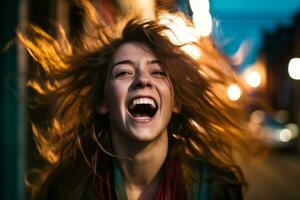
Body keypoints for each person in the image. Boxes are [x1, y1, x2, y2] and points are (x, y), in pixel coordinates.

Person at [18, 2, 256, 200]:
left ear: (176, 103)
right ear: (103, 102)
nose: (143, 80)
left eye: (158, 72)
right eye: (124, 72)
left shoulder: (216, 189)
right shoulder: (67, 190)